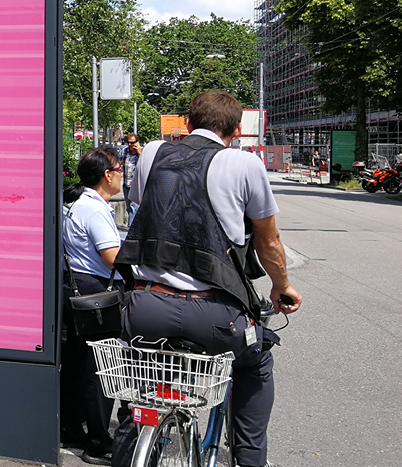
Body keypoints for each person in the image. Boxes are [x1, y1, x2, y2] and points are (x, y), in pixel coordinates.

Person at [112, 91, 302, 467]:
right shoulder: (245, 165)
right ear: (235, 130)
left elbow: (140, 203)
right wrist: (283, 286)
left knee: (142, 382)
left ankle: (130, 445)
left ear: (187, 123)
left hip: (145, 307)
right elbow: (269, 240)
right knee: (257, 362)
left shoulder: (151, 152)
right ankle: (250, 461)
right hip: (213, 316)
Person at [60, 147, 126, 466]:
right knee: (102, 369)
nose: (123, 172)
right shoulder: (96, 210)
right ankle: (98, 442)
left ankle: (71, 429)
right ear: (107, 175)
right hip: (97, 295)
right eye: (120, 167)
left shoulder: (77, 203)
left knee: (76, 364)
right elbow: (111, 257)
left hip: (76, 291)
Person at [122, 133, 143, 223]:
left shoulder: (142, 152)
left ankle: (130, 230)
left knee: (134, 207)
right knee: (129, 208)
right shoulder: (125, 151)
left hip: (136, 185)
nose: (130, 145)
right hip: (126, 184)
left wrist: (139, 153)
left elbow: (144, 165)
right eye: (128, 142)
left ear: (137, 142)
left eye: (132, 142)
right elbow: (120, 165)